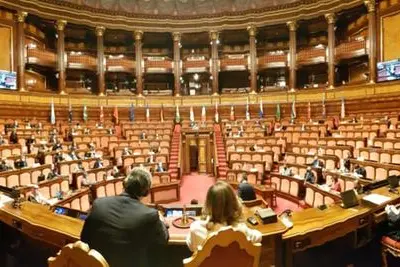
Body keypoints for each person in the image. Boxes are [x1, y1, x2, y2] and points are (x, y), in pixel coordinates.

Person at [81, 167, 169, 267]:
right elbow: (163, 240)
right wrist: (161, 220)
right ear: (146, 192)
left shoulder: (99, 204)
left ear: (125, 183)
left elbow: (84, 238)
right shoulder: (149, 215)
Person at [186, 181, 261, 252]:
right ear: (234, 203)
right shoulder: (241, 230)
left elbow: (191, 246)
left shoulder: (196, 229)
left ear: (208, 205)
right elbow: (258, 236)